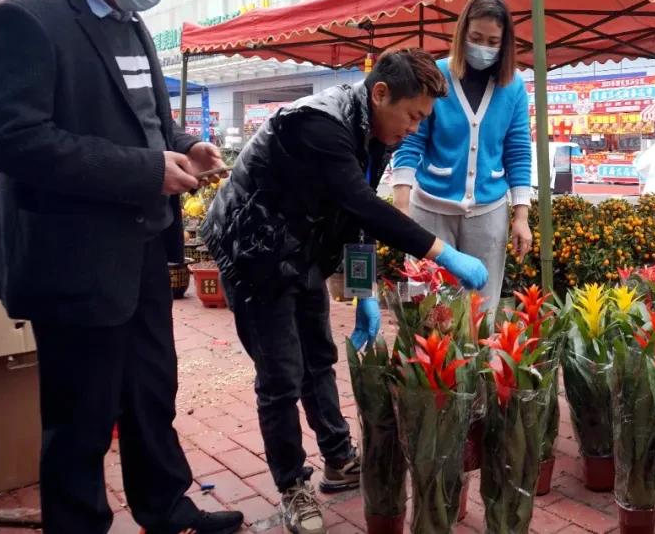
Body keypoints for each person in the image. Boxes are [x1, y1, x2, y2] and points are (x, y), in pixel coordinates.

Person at [0, 0, 242, 534]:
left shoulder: (129, 22)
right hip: (75, 259)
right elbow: (11, 140)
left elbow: (145, 123)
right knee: (82, 418)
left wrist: (185, 146)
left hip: (144, 250)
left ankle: (166, 506)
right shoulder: (27, 20)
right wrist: (146, 171)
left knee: (151, 391)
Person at [202, 49, 489, 534]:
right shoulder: (319, 124)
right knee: (280, 376)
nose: (414, 128)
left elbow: (356, 212)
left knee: (319, 356)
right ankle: (292, 486)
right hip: (254, 253)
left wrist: (365, 291)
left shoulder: (374, 134)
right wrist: (442, 252)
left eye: (422, 120)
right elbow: (361, 203)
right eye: (412, 116)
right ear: (381, 94)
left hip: (300, 250)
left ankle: (338, 458)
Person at [391, 0, 533, 313]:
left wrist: (521, 216)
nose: (483, 47)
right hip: (429, 211)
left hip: (488, 214)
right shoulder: (436, 75)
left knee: (481, 311)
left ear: (505, 44)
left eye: (493, 41)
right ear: (462, 34)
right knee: (426, 308)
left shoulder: (513, 87)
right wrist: (401, 203)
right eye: (476, 38)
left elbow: (518, 151)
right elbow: (411, 139)